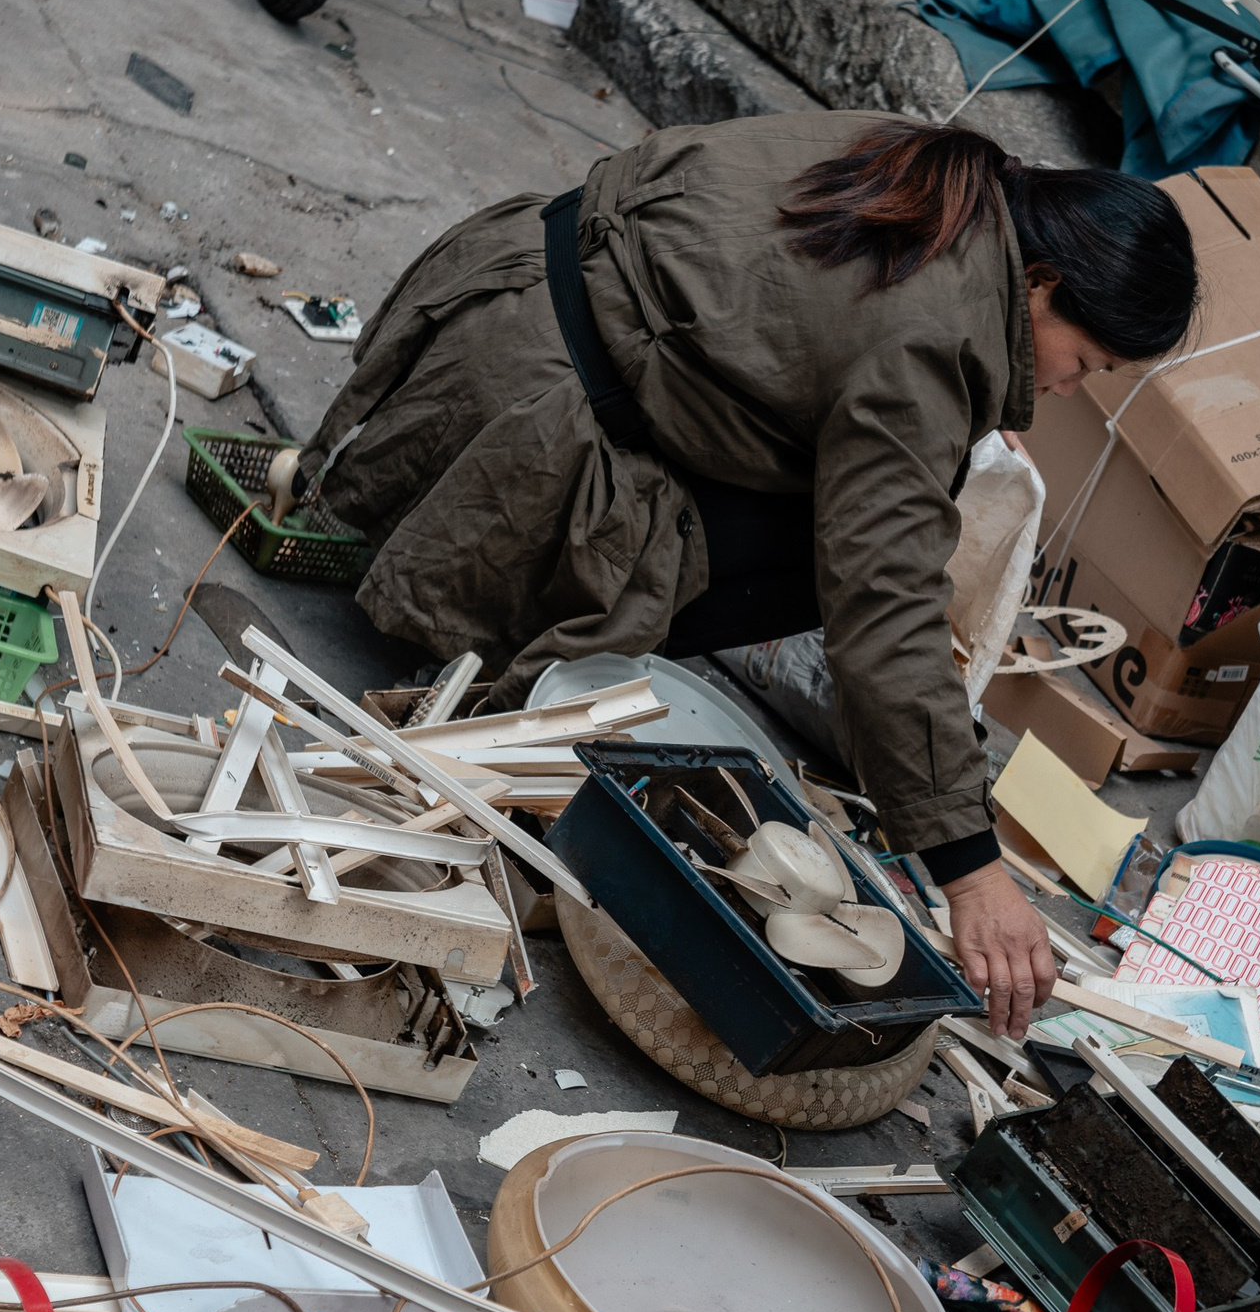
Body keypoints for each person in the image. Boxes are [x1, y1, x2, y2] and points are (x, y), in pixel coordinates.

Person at [298, 111, 1198, 1038]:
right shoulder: (938, 334)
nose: (1066, 389)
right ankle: (542, 653)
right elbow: (885, 604)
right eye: (1084, 363)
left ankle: (585, 614)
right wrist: (971, 871)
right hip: (531, 404)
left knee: (871, 511)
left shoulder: (950, 178)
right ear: (1042, 282)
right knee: (839, 565)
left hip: (504, 289)